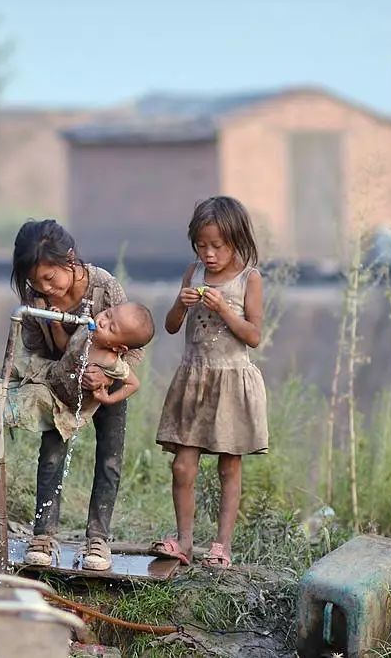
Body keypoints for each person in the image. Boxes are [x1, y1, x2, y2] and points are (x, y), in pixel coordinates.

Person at [6, 220, 144, 571]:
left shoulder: (104, 288)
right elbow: (35, 349)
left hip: (106, 383)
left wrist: (103, 376)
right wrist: (58, 345)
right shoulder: (36, 298)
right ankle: (44, 535)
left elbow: (134, 346)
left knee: (109, 458)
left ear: (69, 259)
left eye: (50, 279)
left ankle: (98, 539)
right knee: (52, 454)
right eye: (35, 282)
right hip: (61, 385)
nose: (44, 288)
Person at [151, 196, 269, 569]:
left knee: (228, 466)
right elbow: (171, 326)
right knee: (183, 466)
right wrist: (182, 304)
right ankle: (184, 541)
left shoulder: (249, 278)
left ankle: (222, 546)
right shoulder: (193, 273)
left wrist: (223, 309)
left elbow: (253, 335)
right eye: (202, 245)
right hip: (194, 377)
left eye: (217, 246)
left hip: (231, 381)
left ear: (237, 240)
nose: (209, 254)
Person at [0, 302, 154, 441]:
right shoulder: (86, 330)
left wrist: (108, 399)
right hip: (54, 372)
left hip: (63, 399)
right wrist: (56, 326)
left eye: (111, 327)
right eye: (108, 314)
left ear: (119, 348)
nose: (103, 321)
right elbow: (66, 346)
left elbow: (134, 384)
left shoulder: (111, 361)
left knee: (34, 396)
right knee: (20, 364)